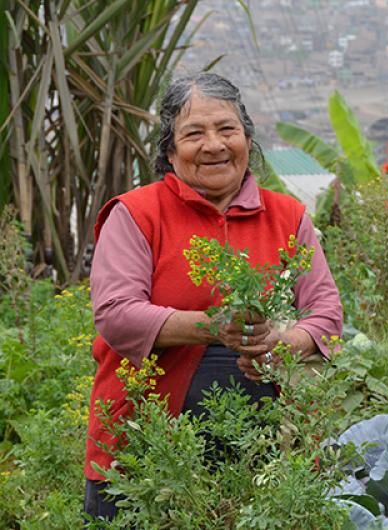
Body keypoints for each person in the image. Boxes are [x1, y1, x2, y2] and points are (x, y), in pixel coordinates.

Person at [83, 72, 343, 520]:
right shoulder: (137, 214)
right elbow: (116, 315)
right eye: (193, 134)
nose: (214, 145)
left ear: (247, 138)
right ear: (170, 150)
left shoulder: (287, 216)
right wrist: (214, 328)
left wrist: (278, 342)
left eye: (227, 129)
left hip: (263, 455)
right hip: (146, 448)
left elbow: (327, 316)